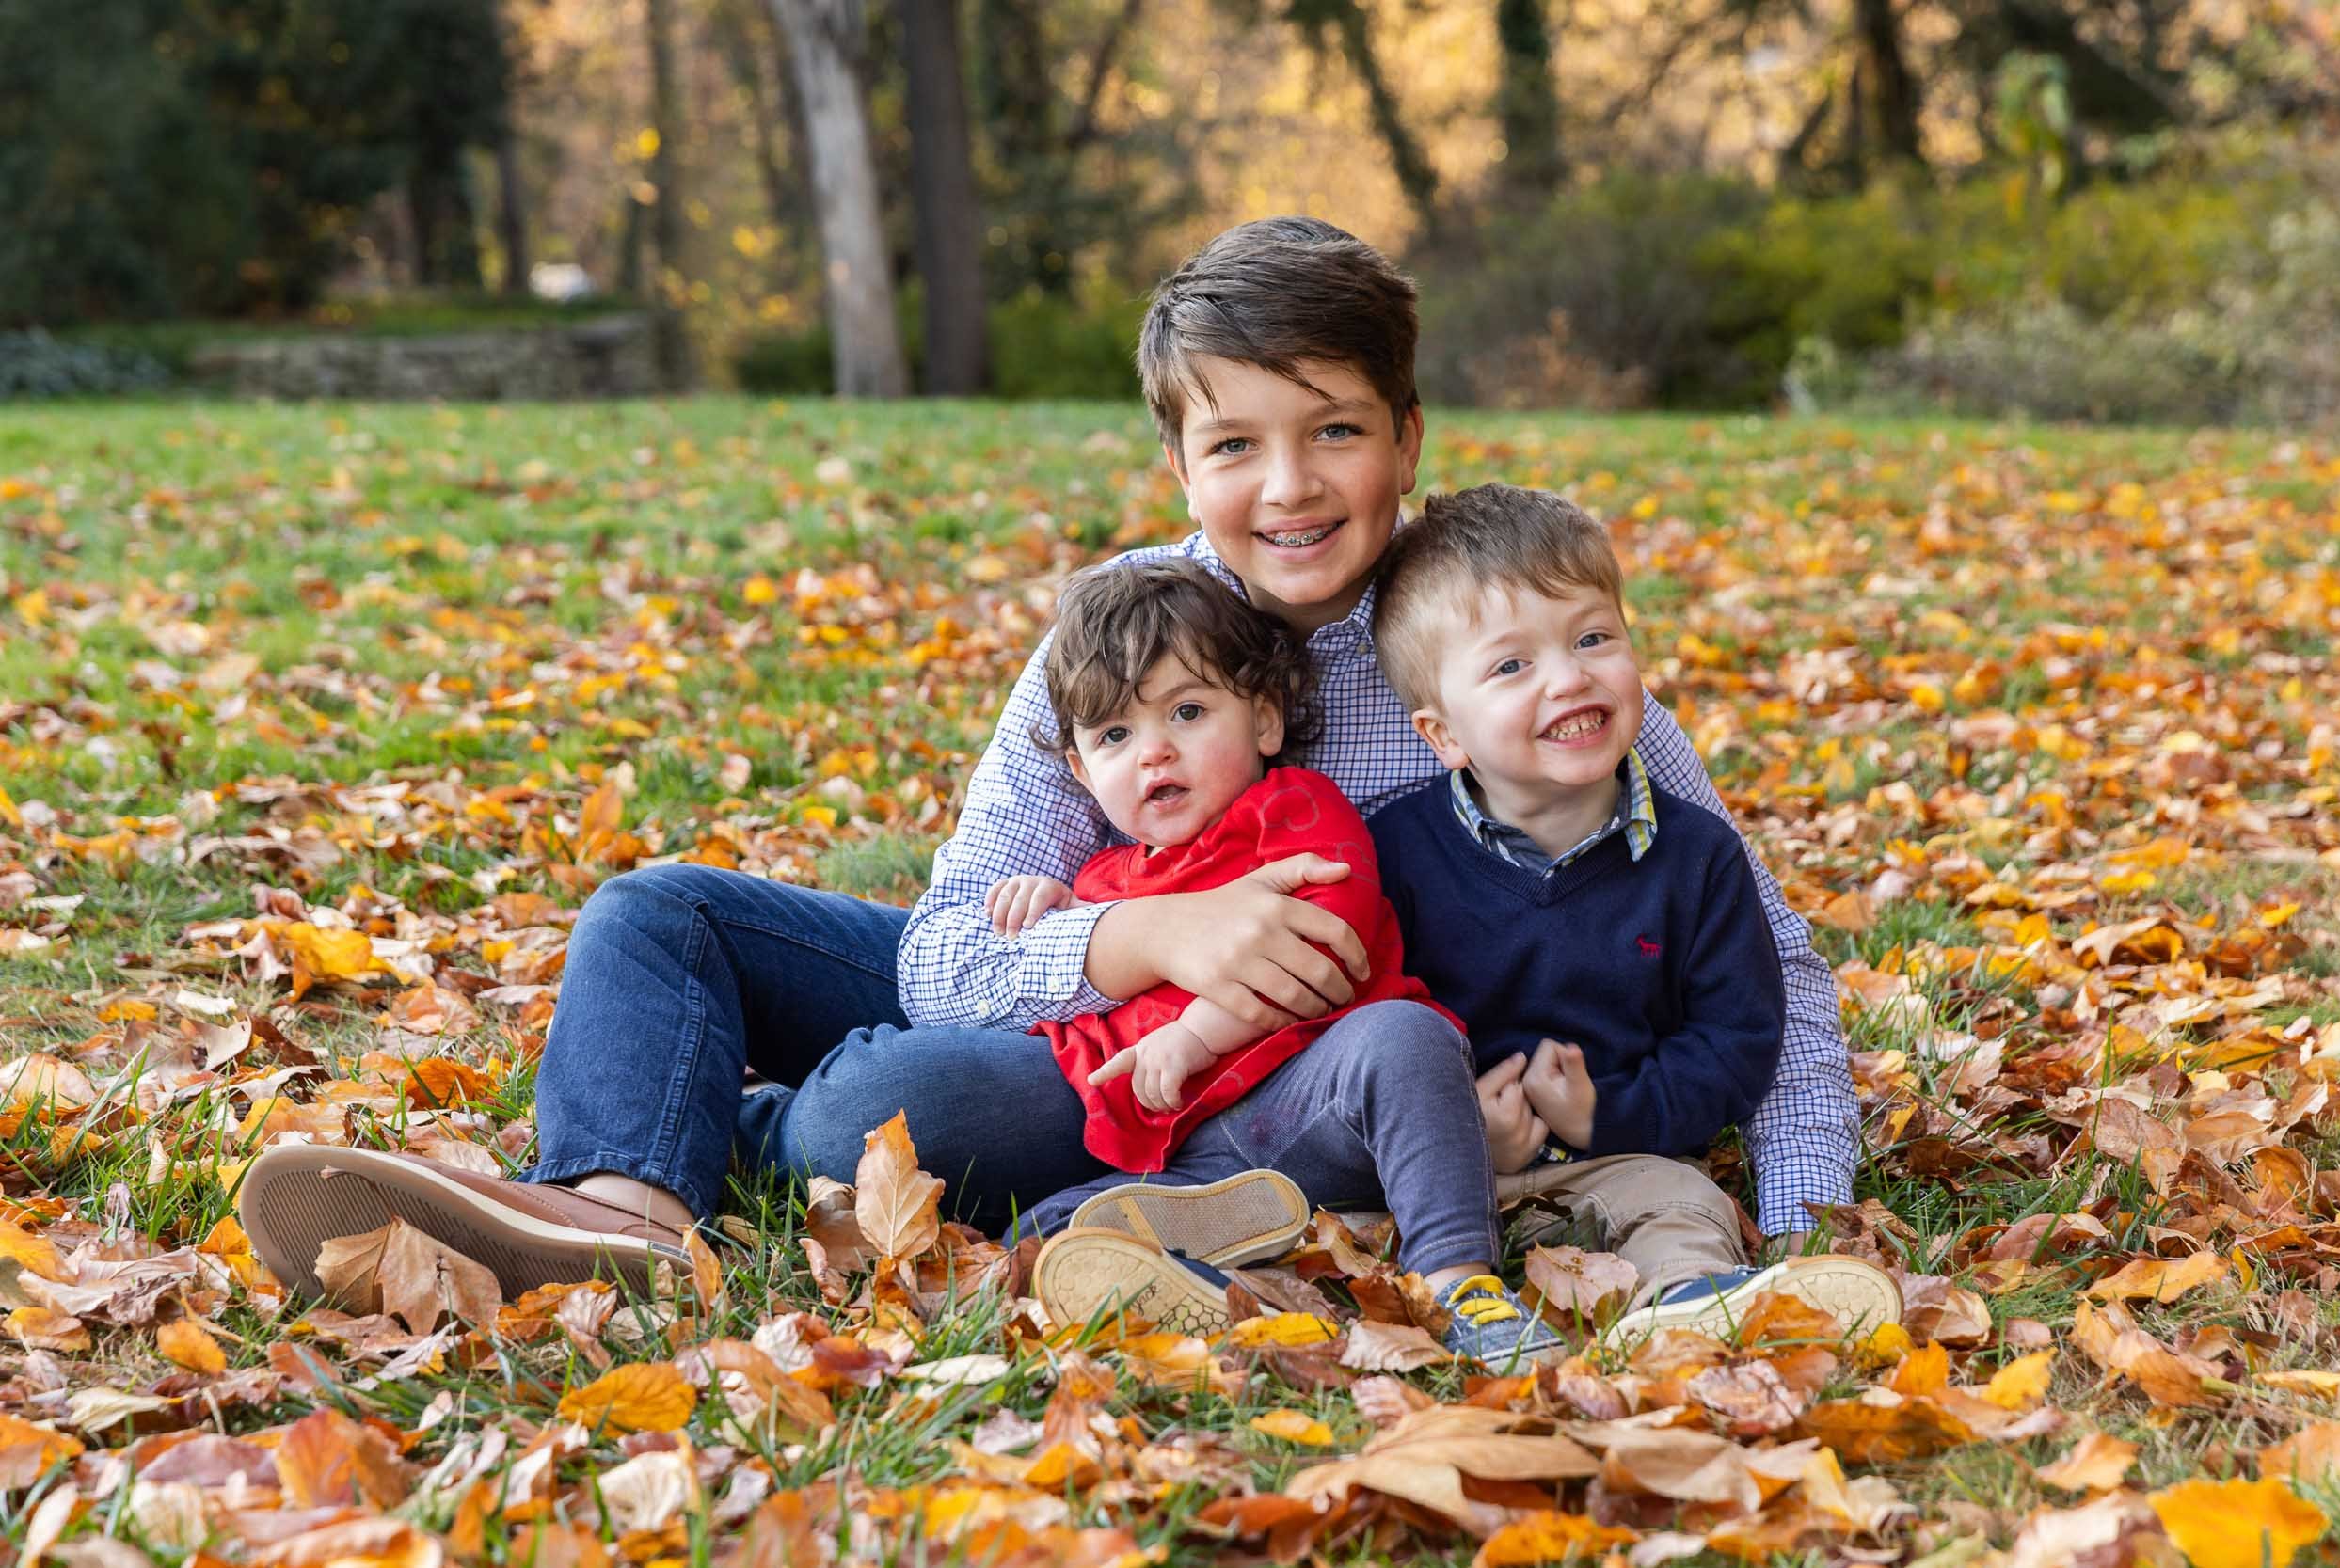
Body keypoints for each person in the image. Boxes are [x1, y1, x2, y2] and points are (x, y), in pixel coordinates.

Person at [234, 215, 1860, 1318]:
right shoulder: (1123, 629)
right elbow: (948, 948)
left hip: (1264, 1081)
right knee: (658, 916)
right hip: (1084, 983)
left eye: (1336, 432)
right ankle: (620, 1213)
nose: (1287, 487)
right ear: (1179, 462)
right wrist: (1148, 936)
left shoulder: (1499, 647)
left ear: (1411, 436)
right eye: (1234, 445)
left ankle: (754, 1134)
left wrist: (1805, 1216)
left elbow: (1754, 942)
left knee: (888, 1106)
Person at [985, 556, 1558, 1365]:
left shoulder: (1293, 813)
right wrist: (1055, 910)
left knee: (1406, 1038)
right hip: (1198, 1156)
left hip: (1319, 1100)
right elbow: (1074, 1022)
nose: (1153, 754)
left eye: (1187, 712)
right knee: (1043, 1235)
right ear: (1080, 772)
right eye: (1116, 735)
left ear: (1263, 721)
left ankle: (1460, 1278)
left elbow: (1321, 945)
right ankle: (1219, 1276)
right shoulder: (1105, 884)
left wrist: (1192, 1038)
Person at [1364, 483, 1902, 1339]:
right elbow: (1361, 1030)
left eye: (1592, 637)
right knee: (1351, 1223)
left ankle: (1685, 1310)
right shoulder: (1397, 855)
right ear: (1444, 735)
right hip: (1439, 1173)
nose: (1569, 676)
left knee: (1686, 1205)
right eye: (1512, 665)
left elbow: (1736, 1041)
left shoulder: (1695, 858)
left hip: (1622, 1156)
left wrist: (1601, 1114)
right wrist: (1464, 1128)